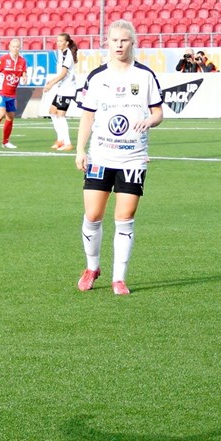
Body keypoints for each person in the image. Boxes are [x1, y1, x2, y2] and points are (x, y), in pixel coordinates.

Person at [74, 20, 163, 296]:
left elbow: (158, 112)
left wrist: (150, 121)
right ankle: (92, 267)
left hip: (133, 158)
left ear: (132, 42)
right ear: (108, 43)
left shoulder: (145, 76)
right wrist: (80, 149)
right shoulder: (97, 77)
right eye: (114, 41)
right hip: (101, 155)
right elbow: (87, 116)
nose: (119, 45)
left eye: (124, 40)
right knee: (93, 215)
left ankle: (119, 278)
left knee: (125, 217)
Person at [0, 38, 28, 149]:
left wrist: (24, 77)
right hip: (0, 91)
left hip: (12, 93)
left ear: (20, 48)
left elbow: (23, 72)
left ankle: (5, 142)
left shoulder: (22, 61)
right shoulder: (2, 59)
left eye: (17, 47)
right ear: (9, 47)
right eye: (13, 47)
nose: (15, 49)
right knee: (1, 113)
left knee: (10, 117)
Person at [41, 32, 79, 151]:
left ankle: (68, 143)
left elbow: (63, 73)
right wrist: (52, 80)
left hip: (67, 89)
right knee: (52, 111)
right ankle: (60, 140)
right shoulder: (61, 53)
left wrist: (51, 84)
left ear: (67, 43)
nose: (58, 43)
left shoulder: (67, 55)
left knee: (60, 115)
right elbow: (61, 74)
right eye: (57, 41)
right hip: (62, 88)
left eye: (61, 41)